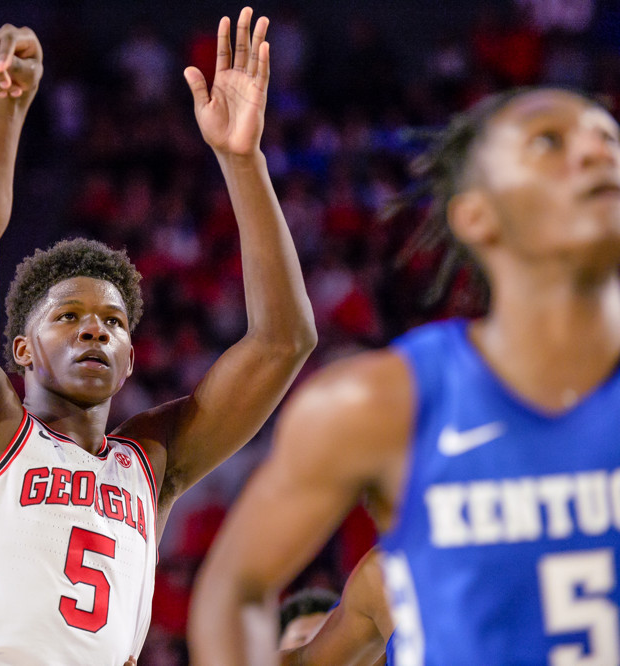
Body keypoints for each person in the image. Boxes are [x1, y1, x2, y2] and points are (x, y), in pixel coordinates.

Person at [0, 7, 316, 664]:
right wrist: (3, 108)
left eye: (112, 323)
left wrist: (241, 160)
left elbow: (284, 341)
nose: (94, 332)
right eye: (68, 318)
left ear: (131, 357)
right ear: (22, 349)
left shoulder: (150, 463)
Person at [188, 85, 620, 664]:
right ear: (476, 215)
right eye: (550, 141)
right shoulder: (380, 402)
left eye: (608, 137)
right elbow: (233, 587)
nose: (597, 152)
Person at [281, 548, 393, 665]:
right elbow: (303, 661)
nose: (310, 637)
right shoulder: (378, 576)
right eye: (301, 639)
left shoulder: (379, 577)